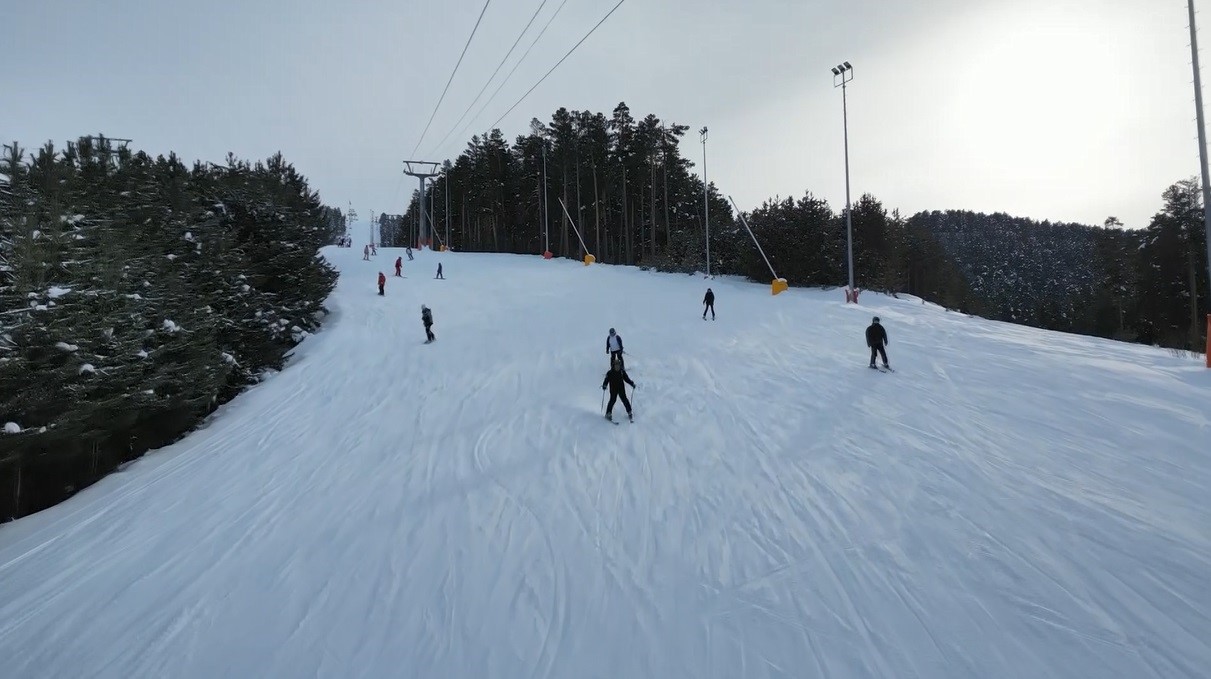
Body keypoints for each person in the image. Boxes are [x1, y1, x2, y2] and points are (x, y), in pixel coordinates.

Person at [601, 354, 636, 422]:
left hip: (621, 388)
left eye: (618, 365)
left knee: (624, 399)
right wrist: (604, 385)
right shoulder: (610, 373)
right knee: (612, 400)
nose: (617, 367)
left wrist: (632, 383)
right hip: (613, 389)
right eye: (616, 365)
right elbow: (606, 380)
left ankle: (629, 412)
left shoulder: (622, 372)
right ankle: (608, 413)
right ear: (613, 366)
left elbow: (627, 379)